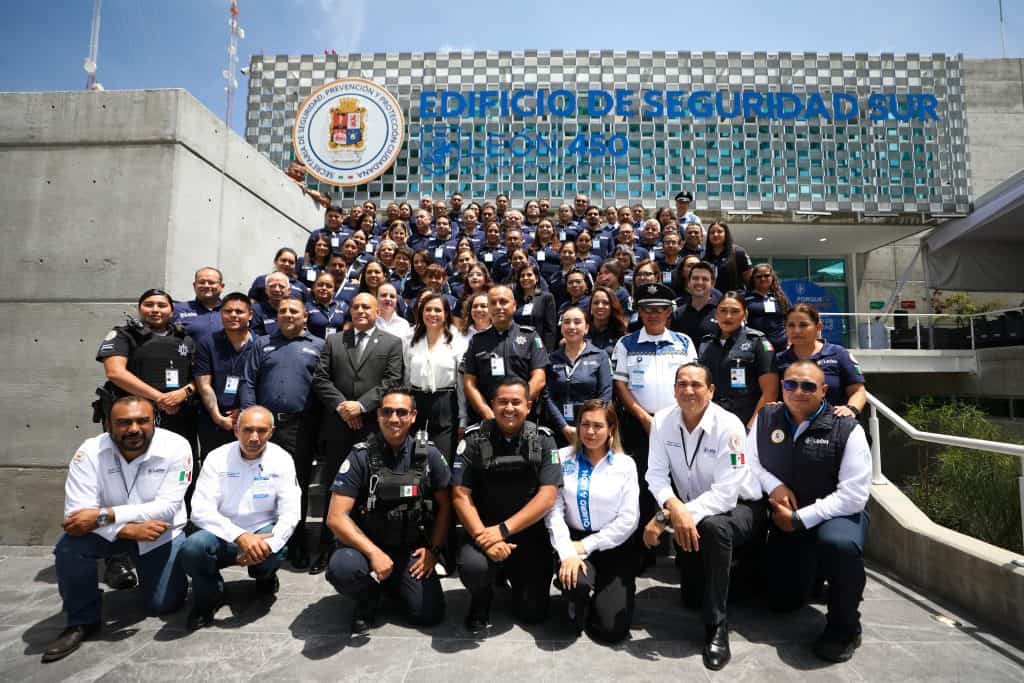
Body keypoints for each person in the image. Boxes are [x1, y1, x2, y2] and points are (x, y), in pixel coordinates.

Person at [45, 397, 190, 663]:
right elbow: (76, 518)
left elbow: (167, 508)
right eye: (123, 422)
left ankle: (152, 572)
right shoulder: (89, 452)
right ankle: (81, 620)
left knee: (162, 605)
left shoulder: (177, 446)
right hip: (111, 534)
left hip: (159, 533)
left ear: (154, 420)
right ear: (108, 424)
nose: (134, 429)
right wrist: (126, 530)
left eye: (142, 421)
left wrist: (109, 515)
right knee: (70, 547)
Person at [643, 363, 767, 671]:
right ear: (674, 390)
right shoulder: (661, 421)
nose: (688, 390)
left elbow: (726, 494)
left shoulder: (730, 426)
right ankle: (740, 579)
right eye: (682, 384)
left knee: (714, 529)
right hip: (689, 509)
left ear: (711, 390)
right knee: (690, 598)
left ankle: (717, 628)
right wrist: (675, 509)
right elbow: (656, 476)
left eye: (696, 385)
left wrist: (672, 515)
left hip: (742, 507)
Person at [747, 360, 872, 662]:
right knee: (782, 602)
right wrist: (774, 486)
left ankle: (845, 626)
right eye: (790, 384)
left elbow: (854, 495)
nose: (798, 392)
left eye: (808, 386)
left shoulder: (847, 429)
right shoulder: (766, 417)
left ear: (824, 390)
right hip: (785, 516)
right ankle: (811, 577)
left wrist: (800, 518)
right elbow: (749, 462)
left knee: (839, 545)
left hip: (833, 516)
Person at [323, 389, 453, 631]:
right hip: (366, 547)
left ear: (413, 416)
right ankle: (368, 597)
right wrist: (374, 554)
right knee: (342, 568)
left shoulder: (429, 454)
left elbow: (446, 505)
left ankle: (394, 584)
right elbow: (336, 517)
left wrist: (434, 550)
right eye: (387, 412)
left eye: (402, 412)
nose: (394, 418)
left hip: (410, 549)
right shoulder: (360, 455)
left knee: (429, 615)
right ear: (378, 416)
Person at [452, 378, 562, 634]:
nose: (509, 408)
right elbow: (460, 495)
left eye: (516, 402)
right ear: (492, 404)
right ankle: (482, 598)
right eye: (502, 402)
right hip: (483, 531)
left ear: (528, 406)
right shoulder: (473, 439)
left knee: (533, 614)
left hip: (527, 535)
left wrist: (502, 531)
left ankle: (511, 578)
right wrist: (484, 537)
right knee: (473, 567)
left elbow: (547, 496)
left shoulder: (544, 440)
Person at [180, 406, 300, 629]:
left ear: (271, 432)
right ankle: (209, 595)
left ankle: (264, 575)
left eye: (262, 431)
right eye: (247, 430)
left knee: (278, 545)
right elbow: (199, 509)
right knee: (192, 548)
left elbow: (291, 512)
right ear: (236, 430)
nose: (254, 437)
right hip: (221, 533)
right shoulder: (217, 458)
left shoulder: (282, 459)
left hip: (262, 532)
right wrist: (240, 536)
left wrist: (268, 545)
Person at [311, 292, 405, 574]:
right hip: (339, 427)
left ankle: (370, 543)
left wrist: (361, 406)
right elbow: (321, 378)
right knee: (335, 486)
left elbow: (392, 380)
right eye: (356, 306)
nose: (361, 310)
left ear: (378, 310)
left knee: (371, 486)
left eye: (367, 306)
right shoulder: (334, 340)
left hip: (373, 427)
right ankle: (328, 547)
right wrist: (344, 408)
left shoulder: (392, 343)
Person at [612, 282, 698, 567]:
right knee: (641, 485)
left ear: (669, 312)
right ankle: (643, 551)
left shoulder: (684, 342)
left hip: (678, 423)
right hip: (640, 423)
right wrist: (643, 417)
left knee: (680, 483)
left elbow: (692, 381)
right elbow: (621, 386)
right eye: (647, 309)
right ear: (639, 312)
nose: (653, 314)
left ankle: (684, 549)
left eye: (660, 309)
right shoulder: (626, 343)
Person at [239, 296, 324, 569]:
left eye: (293, 311)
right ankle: (258, 539)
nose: (287, 315)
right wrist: (251, 419)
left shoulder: (318, 346)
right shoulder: (262, 344)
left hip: (300, 427)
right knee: (259, 482)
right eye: (283, 310)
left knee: (295, 486)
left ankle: (295, 542)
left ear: (305, 317)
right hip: (263, 429)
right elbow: (248, 381)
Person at [547, 399, 639, 643]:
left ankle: (605, 595)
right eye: (584, 424)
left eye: (597, 426)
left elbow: (629, 519)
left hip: (612, 545)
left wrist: (587, 545)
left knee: (611, 630)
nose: (589, 431)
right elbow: (553, 511)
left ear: (611, 429)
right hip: (572, 541)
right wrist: (567, 553)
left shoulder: (625, 465)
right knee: (575, 582)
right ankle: (576, 596)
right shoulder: (560, 457)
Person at [462, 285, 548, 426]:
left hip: (524, 419)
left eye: (503, 302)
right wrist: (487, 413)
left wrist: (518, 407)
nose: (498, 307)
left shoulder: (531, 337)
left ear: (514, 306)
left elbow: (539, 379)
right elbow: (469, 383)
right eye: (493, 303)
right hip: (488, 419)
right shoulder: (477, 341)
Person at [699, 292, 779, 428]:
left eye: (735, 311)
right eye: (723, 311)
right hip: (711, 421)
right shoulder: (706, 343)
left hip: (745, 420)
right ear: (716, 314)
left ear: (745, 314)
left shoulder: (757, 341)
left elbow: (770, 392)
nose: (728, 316)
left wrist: (751, 429)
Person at [776, 304, 867, 418]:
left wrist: (851, 409)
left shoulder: (839, 354)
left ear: (818, 326)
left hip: (834, 426)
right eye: (791, 325)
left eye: (803, 325)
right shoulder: (778, 360)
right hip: (792, 428)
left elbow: (858, 391)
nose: (796, 330)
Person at [406, 293, 468, 461]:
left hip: (445, 404)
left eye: (437, 310)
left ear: (446, 314)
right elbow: (405, 377)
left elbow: (462, 384)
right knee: (414, 460)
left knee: (441, 460)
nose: (432, 314)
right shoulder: (409, 337)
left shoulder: (457, 340)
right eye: (428, 310)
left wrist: (463, 419)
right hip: (416, 403)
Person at [194, 292, 254, 458]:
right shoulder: (207, 343)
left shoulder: (261, 344)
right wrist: (218, 417)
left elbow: (262, 384)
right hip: (214, 420)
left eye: (239, 311)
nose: (233, 315)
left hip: (249, 420)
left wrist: (244, 410)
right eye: (228, 311)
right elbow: (203, 384)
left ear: (250, 315)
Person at [543, 307, 613, 446]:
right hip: (560, 429)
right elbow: (547, 396)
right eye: (567, 322)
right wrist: (564, 427)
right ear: (561, 328)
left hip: (592, 431)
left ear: (586, 328)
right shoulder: (552, 358)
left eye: (577, 322)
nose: (571, 326)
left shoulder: (600, 356)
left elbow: (605, 395)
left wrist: (588, 426)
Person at [745, 263, 792, 350]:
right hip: (755, 348)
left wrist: (790, 342)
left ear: (772, 278)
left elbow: (790, 320)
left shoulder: (781, 298)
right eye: (759, 276)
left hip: (781, 348)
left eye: (766, 275)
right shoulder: (746, 298)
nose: (763, 279)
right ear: (753, 279)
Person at [172, 267, 225, 340]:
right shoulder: (177, 309)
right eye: (201, 282)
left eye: (211, 282)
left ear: (222, 286)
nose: (206, 285)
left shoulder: (231, 311)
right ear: (194, 285)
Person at [514, 264, 558, 350]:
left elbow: (551, 329)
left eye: (529, 275)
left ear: (537, 278)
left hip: (538, 346)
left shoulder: (546, 297)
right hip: (517, 345)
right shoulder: (514, 298)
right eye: (522, 276)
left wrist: (547, 351)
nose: (525, 278)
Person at [703, 222, 752, 293]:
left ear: (726, 234)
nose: (715, 235)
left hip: (733, 300)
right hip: (712, 300)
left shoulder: (738, 252)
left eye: (719, 231)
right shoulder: (705, 257)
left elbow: (749, 280)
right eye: (712, 232)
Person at [586, 285, 628, 356]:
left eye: (605, 303)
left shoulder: (623, 338)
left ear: (612, 307)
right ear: (590, 308)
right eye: (596, 303)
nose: (600, 306)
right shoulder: (581, 334)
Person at [306, 272, 348, 339]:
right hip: (313, 347)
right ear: (313, 287)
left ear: (334, 290)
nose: (324, 288)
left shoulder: (343, 307)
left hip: (336, 347)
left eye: (328, 286)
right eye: (320, 285)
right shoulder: (307, 307)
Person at [250, 271, 290, 337]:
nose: (277, 289)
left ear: (289, 291)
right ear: (266, 290)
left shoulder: (295, 311)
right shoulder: (256, 311)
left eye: (281, 286)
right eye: (272, 286)